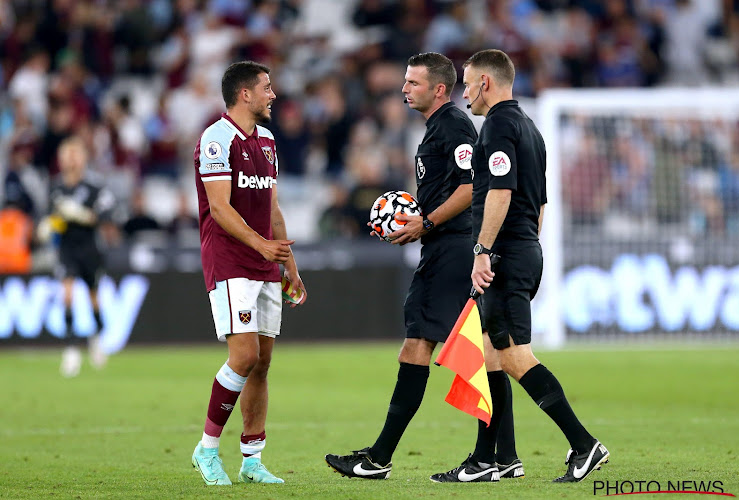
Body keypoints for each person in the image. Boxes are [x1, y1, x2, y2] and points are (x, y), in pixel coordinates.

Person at [325, 52, 523, 482]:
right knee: (484, 349)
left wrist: (426, 221)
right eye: (404, 81)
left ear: (438, 89)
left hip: (449, 249)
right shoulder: (440, 127)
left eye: (413, 83)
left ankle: (378, 459)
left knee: (417, 345)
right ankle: (504, 455)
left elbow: (472, 187)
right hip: (451, 246)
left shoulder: (452, 125)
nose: (403, 89)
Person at [433, 48, 609, 483]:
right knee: (491, 354)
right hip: (523, 248)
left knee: (512, 355)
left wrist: (484, 251)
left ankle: (585, 444)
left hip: (505, 255)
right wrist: (524, 243)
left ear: (485, 83)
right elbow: (541, 202)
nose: (465, 93)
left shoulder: (497, 126)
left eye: (468, 83)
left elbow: (500, 193)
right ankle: (496, 458)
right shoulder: (529, 127)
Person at [191, 60, 307, 486]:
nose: (272, 94)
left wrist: (289, 266)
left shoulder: (268, 141)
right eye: (267, 87)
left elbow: (272, 208)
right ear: (245, 94)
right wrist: (261, 246)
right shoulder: (216, 138)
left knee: (262, 364)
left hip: (263, 263)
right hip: (229, 261)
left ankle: (252, 459)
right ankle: (206, 449)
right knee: (243, 357)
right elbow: (219, 208)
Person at [49, 137, 117, 377]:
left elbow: (106, 215)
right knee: (66, 294)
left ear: (83, 158)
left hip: (89, 248)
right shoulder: (56, 187)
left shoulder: (94, 186)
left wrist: (81, 214)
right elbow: (52, 217)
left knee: (93, 298)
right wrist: (50, 224)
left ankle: (96, 338)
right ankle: (70, 348)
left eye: (74, 155)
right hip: (67, 249)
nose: (70, 160)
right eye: (66, 155)